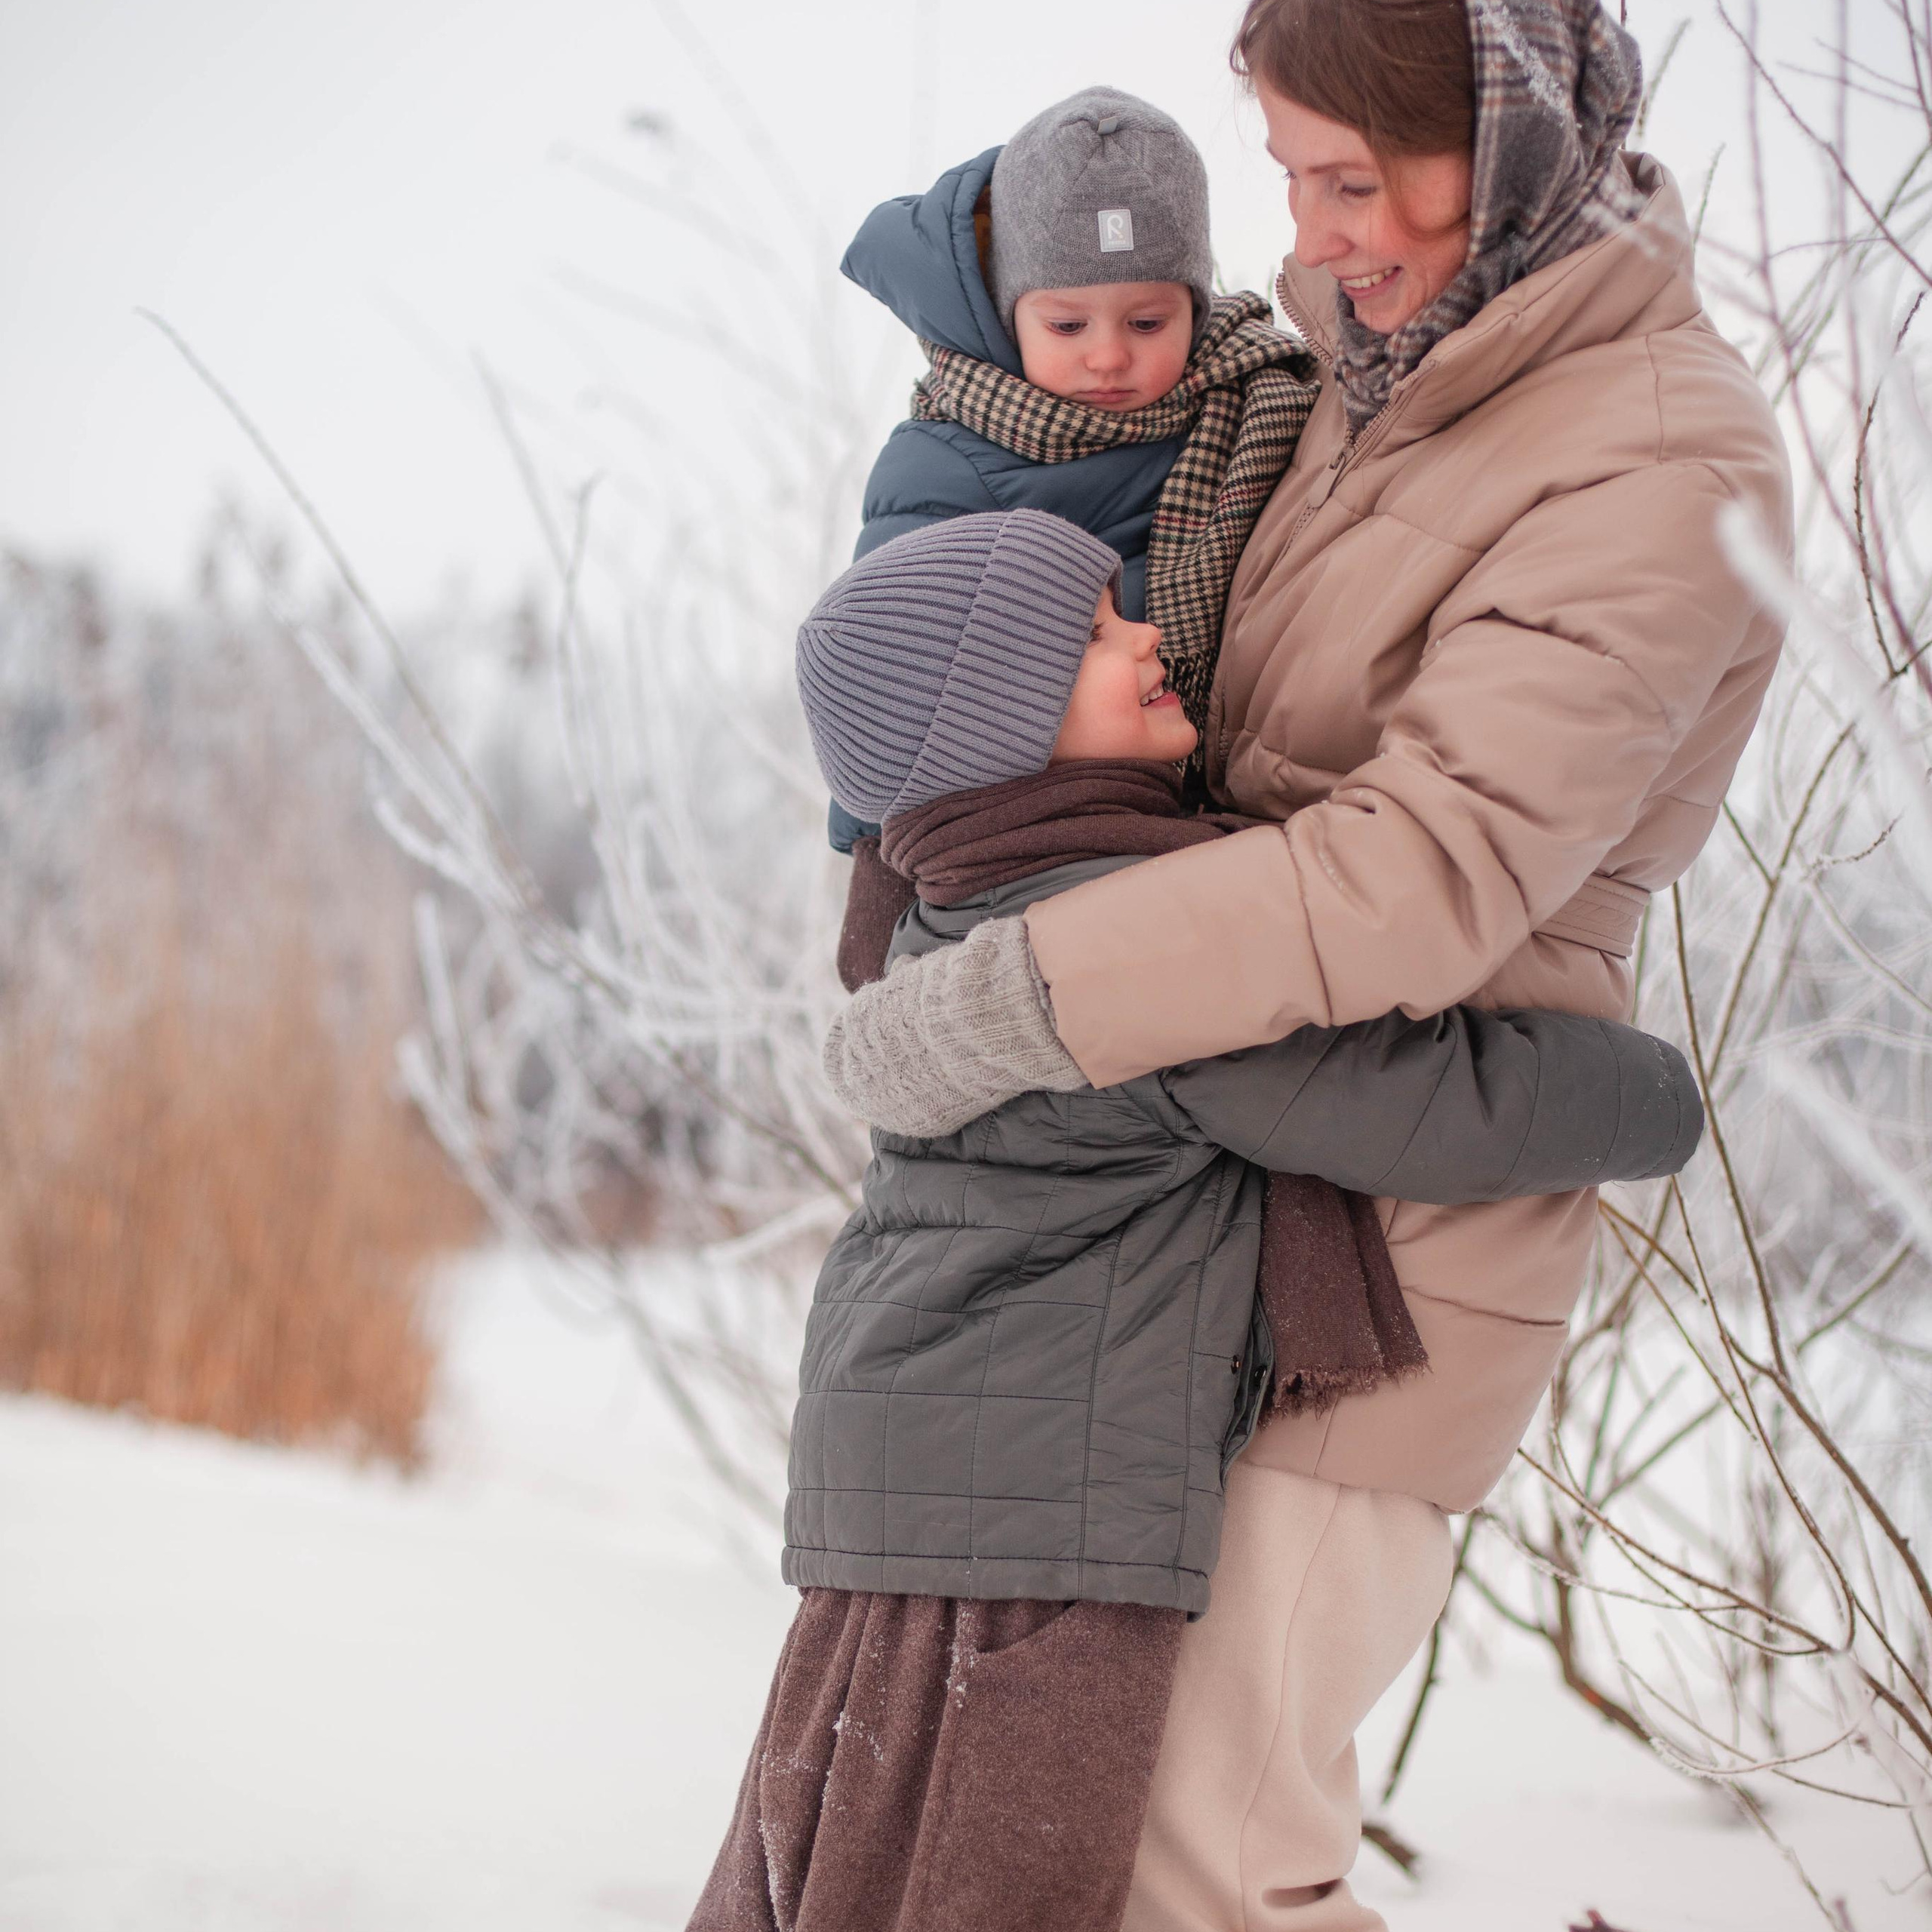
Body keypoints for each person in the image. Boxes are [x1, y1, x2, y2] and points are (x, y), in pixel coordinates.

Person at [820, 4, 1795, 1927]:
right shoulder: (1360, 367)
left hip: (1401, 1232)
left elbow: (1418, 873)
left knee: (1207, 1848)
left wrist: (1017, 999)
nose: (1313, 234)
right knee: (1131, 1839)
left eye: (1353, 179)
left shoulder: (1657, 460)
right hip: (1191, 1212)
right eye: (1284, 178)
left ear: (1510, 151)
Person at [693, 509, 1706, 1932]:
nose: (1147, 635)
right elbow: (1396, 1102)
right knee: (1034, 1876)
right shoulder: (1118, 939)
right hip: (1034, 1508)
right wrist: (1652, 1097)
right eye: (1093, 639)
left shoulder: (958, 913)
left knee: (885, 1850)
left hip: (930, 1461)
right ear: (1003, 726)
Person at [827, 81, 1318, 888]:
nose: (1107, 356)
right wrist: (879, 869)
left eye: (1148, 322)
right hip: (1042, 843)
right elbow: (894, 682)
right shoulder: (946, 466)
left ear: (1195, 308)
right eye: (1066, 324)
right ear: (1003, 312)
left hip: (1213, 814)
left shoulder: (1252, 402)